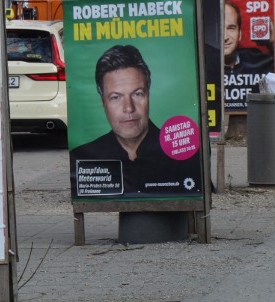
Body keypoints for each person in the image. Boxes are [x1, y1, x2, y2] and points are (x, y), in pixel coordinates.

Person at [71, 45, 199, 195]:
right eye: (116, 97)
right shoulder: (85, 158)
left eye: (137, 94)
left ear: (148, 94)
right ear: (103, 102)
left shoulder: (184, 154)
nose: (129, 108)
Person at [222, 0, 274, 112]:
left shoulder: (255, 58)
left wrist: (272, 45)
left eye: (231, 28)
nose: (225, 36)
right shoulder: (203, 66)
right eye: (220, 28)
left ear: (239, 34)